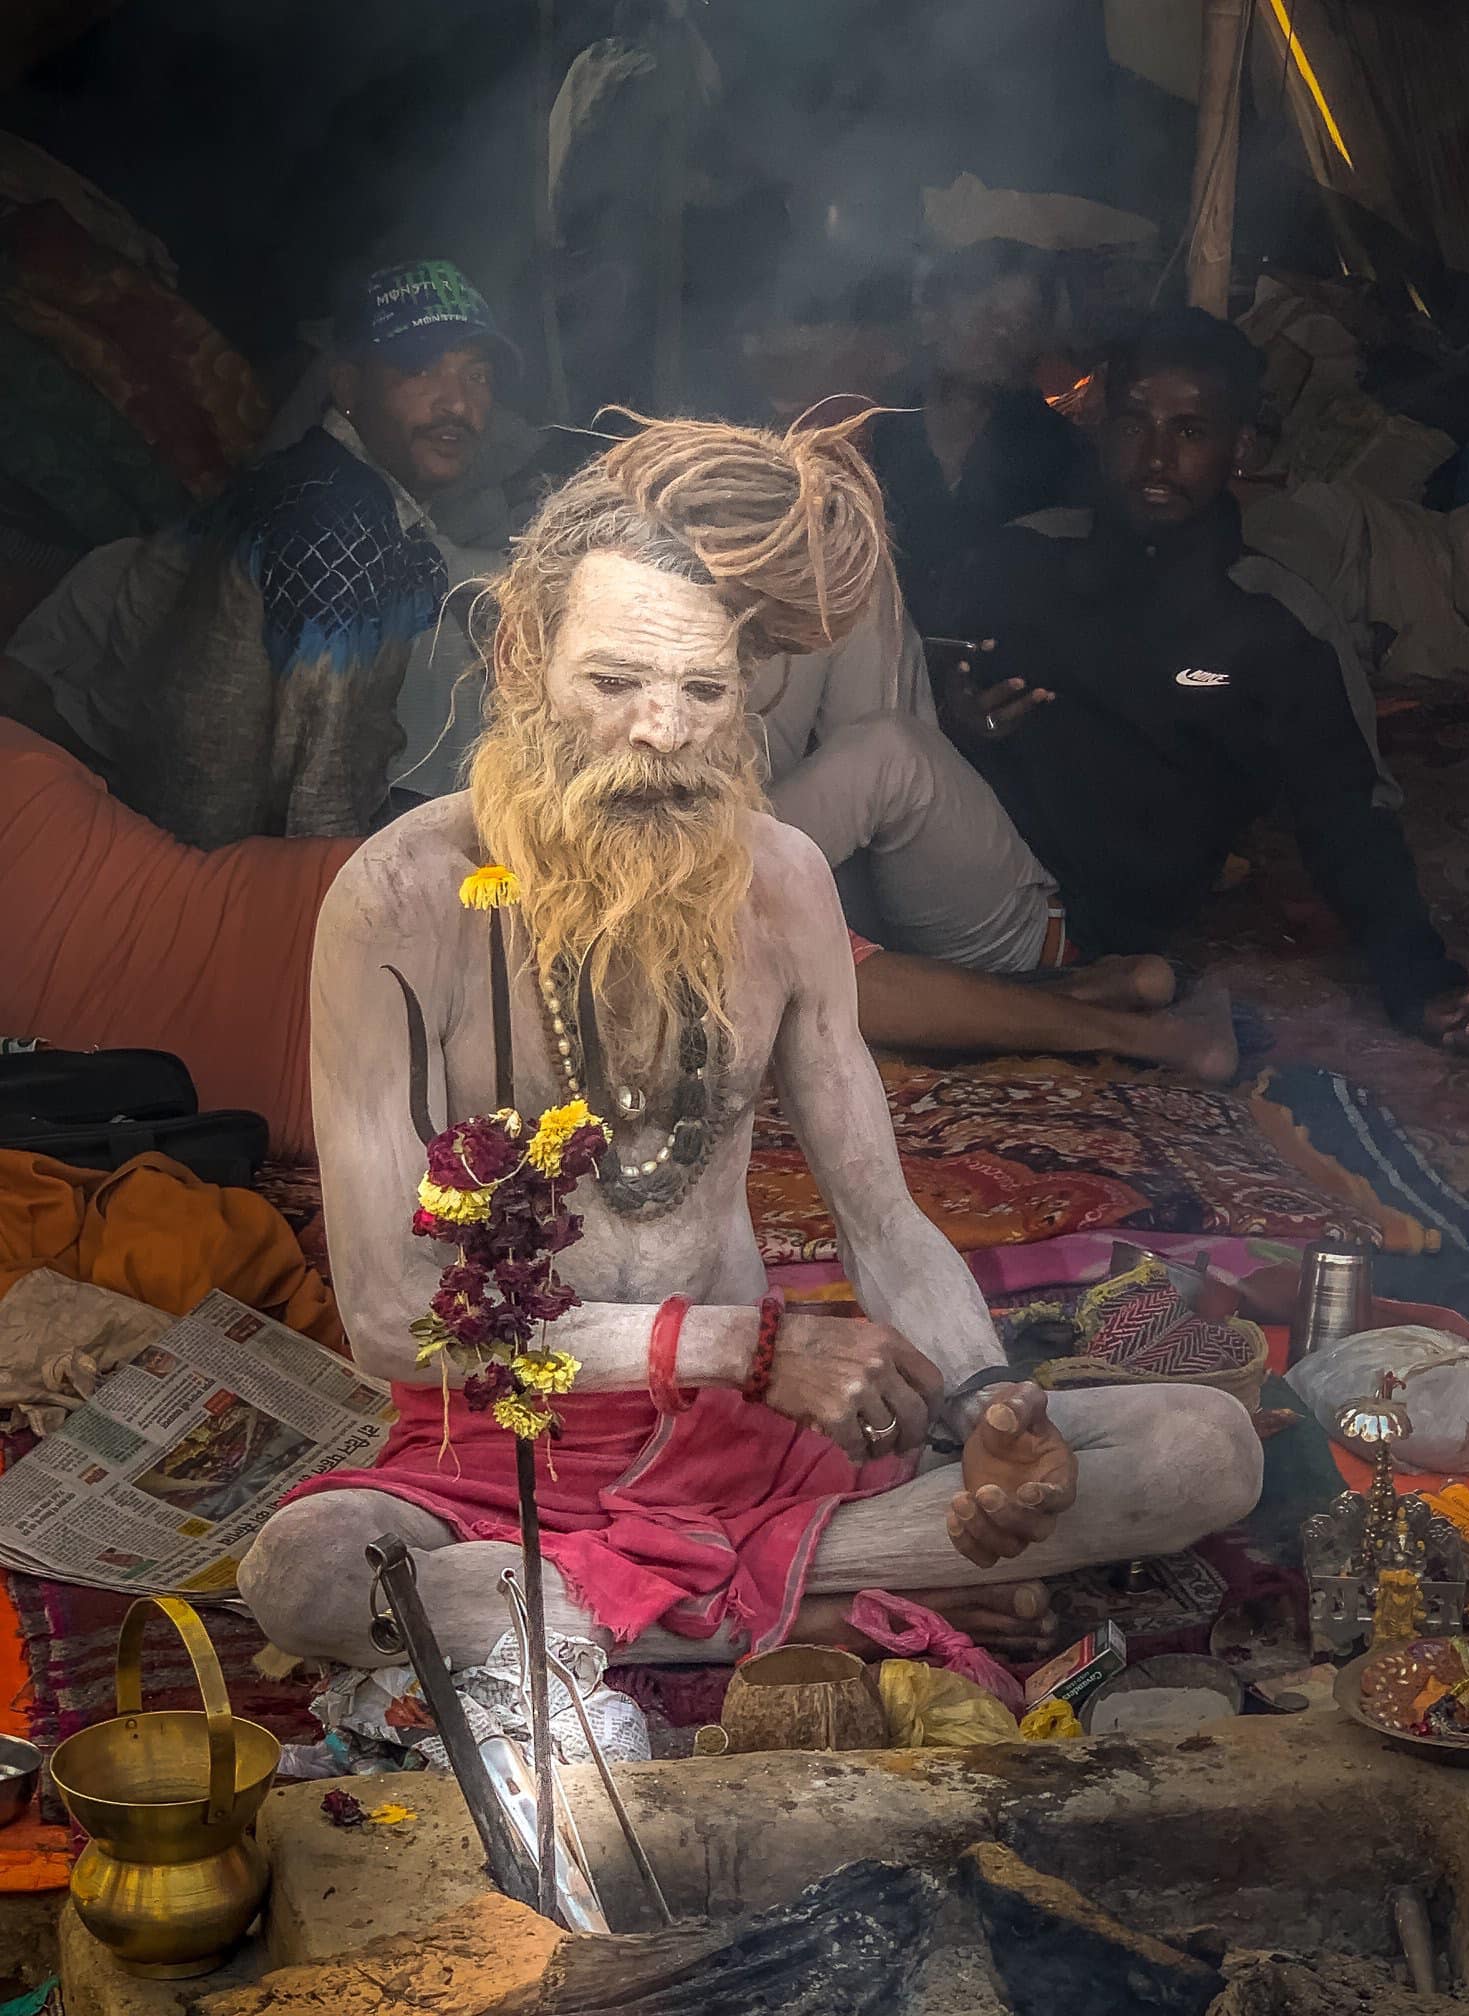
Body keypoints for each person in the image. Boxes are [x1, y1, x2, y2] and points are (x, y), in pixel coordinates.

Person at [238, 414, 1262, 1674]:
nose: (663, 731)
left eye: (705, 690)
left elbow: (882, 1225)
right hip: (504, 1456)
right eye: (614, 683)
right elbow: (397, 1322)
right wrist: (742, 1345)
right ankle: (810, 1605)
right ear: (520, 658)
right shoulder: (398, 896)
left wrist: (987, 1407)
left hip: (749, 1452)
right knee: (312, 1571)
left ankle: (680, 1611)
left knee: (1209, 1448)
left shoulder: (780, 883)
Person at [936, 307, 1469, 1062]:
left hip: (1103, 915)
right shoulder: (1021, 558)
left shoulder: (1276, 623)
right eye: (1136, 425)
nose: (1155, 460)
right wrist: (955, 715)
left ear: (1239, 449)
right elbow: (923, 675)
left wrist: (1419, 980)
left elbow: (1349, 813)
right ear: (1102, 429)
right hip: (958, 873)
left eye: (1190, 432)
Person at [2, 260, 506, 847]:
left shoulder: (342, 488)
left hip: (92, 687)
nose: (459, 405)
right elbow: (303, 814)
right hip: (83, 757)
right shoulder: (337, 524)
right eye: (421, 368)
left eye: (478, 376)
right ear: (346, 387)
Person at [868, 238, 1090, 637]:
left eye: (1021, 321)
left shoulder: (1066, 458)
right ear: (932, 318)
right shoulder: (869, 434)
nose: (1002, 332)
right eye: (986, 312)